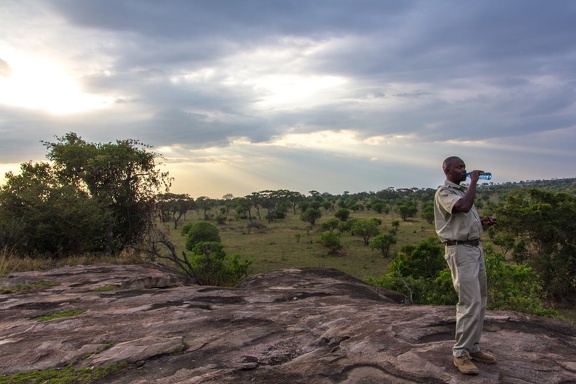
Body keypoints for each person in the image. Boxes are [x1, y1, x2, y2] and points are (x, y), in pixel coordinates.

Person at [433, 156, 497, 375]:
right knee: (469, 301)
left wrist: (482, 224)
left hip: (474, 248)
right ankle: (460, 353)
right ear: (447, 170)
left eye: (464, 167)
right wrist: (474, 182)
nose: (464, 170)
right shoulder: (445, 193)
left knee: (481, 300)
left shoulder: (460, 192)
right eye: (459, 167)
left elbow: (465, 220)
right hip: (460, 251)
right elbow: (463, 207)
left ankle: (473, 347)